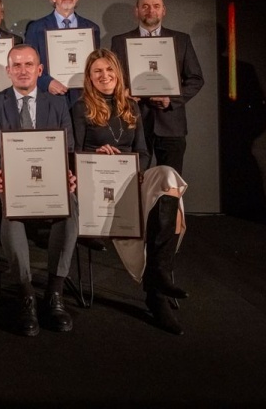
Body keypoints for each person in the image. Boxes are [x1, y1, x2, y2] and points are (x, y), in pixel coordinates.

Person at [72, 48, 189, 335]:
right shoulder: (81, 107)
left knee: (168, 178)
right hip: (96, 182)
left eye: (109, 69)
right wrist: (96, 156)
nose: (105, 76)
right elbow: (72, 153)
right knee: (161, 210)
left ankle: (158, 274)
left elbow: (143, 152)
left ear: (118, 73)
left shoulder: (131, 107)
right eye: (98, 71)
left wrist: (134, 170)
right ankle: (156, 291)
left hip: (130, 178)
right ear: (89, 77)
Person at [0, 44, 77, 336]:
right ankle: (26, 294)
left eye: (29, 64)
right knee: (10, 207)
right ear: (8, 71)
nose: (23, 71)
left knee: (70, 205)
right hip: (12, 180)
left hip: (51, 179)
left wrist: (67, 174)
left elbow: (67, 146)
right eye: (17, 65)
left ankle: (55, 291)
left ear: (40, 70)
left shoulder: (57, 104)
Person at [110, 0, 204, 175]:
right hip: (133, 121)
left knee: (170, 183)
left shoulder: (181, 40)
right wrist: (124, 92)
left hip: (171, 124)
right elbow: (112, 80)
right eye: (145, 6)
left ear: (163, 11)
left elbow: (196, 79)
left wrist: (171, 99)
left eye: (156, 6)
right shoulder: (119, 41)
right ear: (136, 11)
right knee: (133, 181)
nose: (150, 10)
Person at [24, 0, 101, 106]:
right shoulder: (36, 28)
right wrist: (47, 82)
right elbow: (28, 65)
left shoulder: (92, 28)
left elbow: (96, 64)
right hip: (49, 98)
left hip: (84, 98)